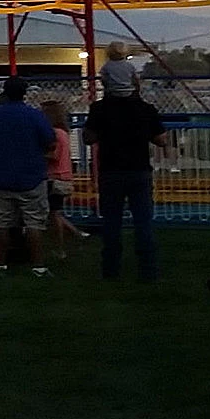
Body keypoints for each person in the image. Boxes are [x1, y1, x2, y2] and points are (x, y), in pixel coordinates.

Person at [83, 71, 170, 282]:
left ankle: (111, 270)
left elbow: (88, 137)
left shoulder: (99, 109)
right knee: (143, 222)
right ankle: (148, 271)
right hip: (139, 170)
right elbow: (161, 139)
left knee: (111, 223)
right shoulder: (145, 109)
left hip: (111, 170)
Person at [0, 77, 55, 276]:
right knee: (34, 222)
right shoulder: (34, 115)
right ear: (24, 93)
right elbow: (50, 140)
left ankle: (0, 264)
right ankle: (38, 266)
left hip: (2, 174)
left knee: (3, 221)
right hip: (31, 175)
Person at [39, 98, 84, 263]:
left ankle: (61, 245)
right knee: (54, 212)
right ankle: (76, 235)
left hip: (55, 177)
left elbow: (54, 155)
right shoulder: (64, 133)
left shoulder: (55, 134)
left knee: (53, 213)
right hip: (63, 176)